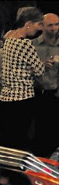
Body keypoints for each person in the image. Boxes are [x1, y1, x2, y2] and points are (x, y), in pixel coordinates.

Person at [0, 6, 45, 185]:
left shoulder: (9, 38)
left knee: (4, 138)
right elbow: (39, 71)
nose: (39, 30)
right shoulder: (26, 44)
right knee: (16, 142)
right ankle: (5, 180)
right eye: (38, 25)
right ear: (28, 24)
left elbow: (17, 65)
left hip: (7, 96)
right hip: (23, 98)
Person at [31, 13, 59, 158]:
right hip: (33, 93)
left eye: (57, 24)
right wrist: (38, 64)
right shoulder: (32, 45)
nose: (54, 28)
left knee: (49, 136)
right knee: (31, 134)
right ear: (42, 26)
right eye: (50, 25)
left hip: (53, 96)